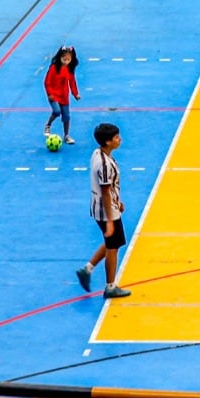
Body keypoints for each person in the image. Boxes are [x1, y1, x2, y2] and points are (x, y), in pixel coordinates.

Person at [74, 122, 131, 300]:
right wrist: (109, 220)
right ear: (107, 142)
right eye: (116, 137)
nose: (119, 139)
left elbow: (107, 189)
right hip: (107, 212)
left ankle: (87, 269)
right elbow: (105, 191)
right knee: (113, 247)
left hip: (104, 207)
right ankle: (110, 286)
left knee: (112, 243)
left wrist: (117, 201)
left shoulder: (97, 153)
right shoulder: (105, 164)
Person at [44, 45, 82, 151]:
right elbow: (47, 82)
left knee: (66, 116)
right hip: (54, 95)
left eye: (68, 59)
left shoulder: (69, 70)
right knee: (56, 111)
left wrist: (75, 94)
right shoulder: (53, 68)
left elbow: (72, 83)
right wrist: (50, 94)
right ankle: (48, 124)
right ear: (60, 57)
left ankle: (66, 135)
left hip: (64, 96)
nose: (66, 61)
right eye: (64, 59)